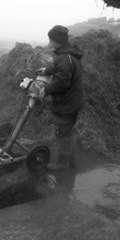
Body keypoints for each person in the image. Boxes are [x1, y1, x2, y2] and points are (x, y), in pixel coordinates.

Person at [40, 25, 83, 170]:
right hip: (72, 101)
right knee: (68, 132)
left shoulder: (64, 58)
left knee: (63, 134)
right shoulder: (67, 54)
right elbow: (57, 67)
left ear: (57, 41)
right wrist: (46, 71)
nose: (49, 43)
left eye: (51, 40)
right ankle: (73, 162)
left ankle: (62, 164)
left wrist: (45, 90)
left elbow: (62, 82)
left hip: (67, 104)